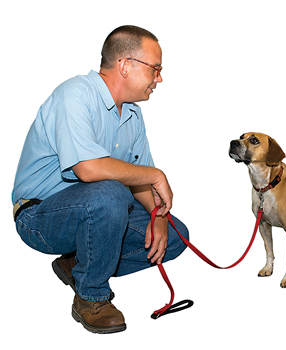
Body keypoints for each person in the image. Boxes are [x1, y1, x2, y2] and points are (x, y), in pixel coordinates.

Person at [11, 25, 189, 334]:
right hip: (38, 217)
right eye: (155, 69)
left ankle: (79, 264)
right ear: (124, 65)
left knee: (175, 236)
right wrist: (156, 175)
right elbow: (88, 171)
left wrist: (158, 214)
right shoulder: (74, 94)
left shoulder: (132, 115)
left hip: (97, 207)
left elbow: (139, 181)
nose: (159, 79)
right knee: (110, 193)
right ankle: (91, 294)